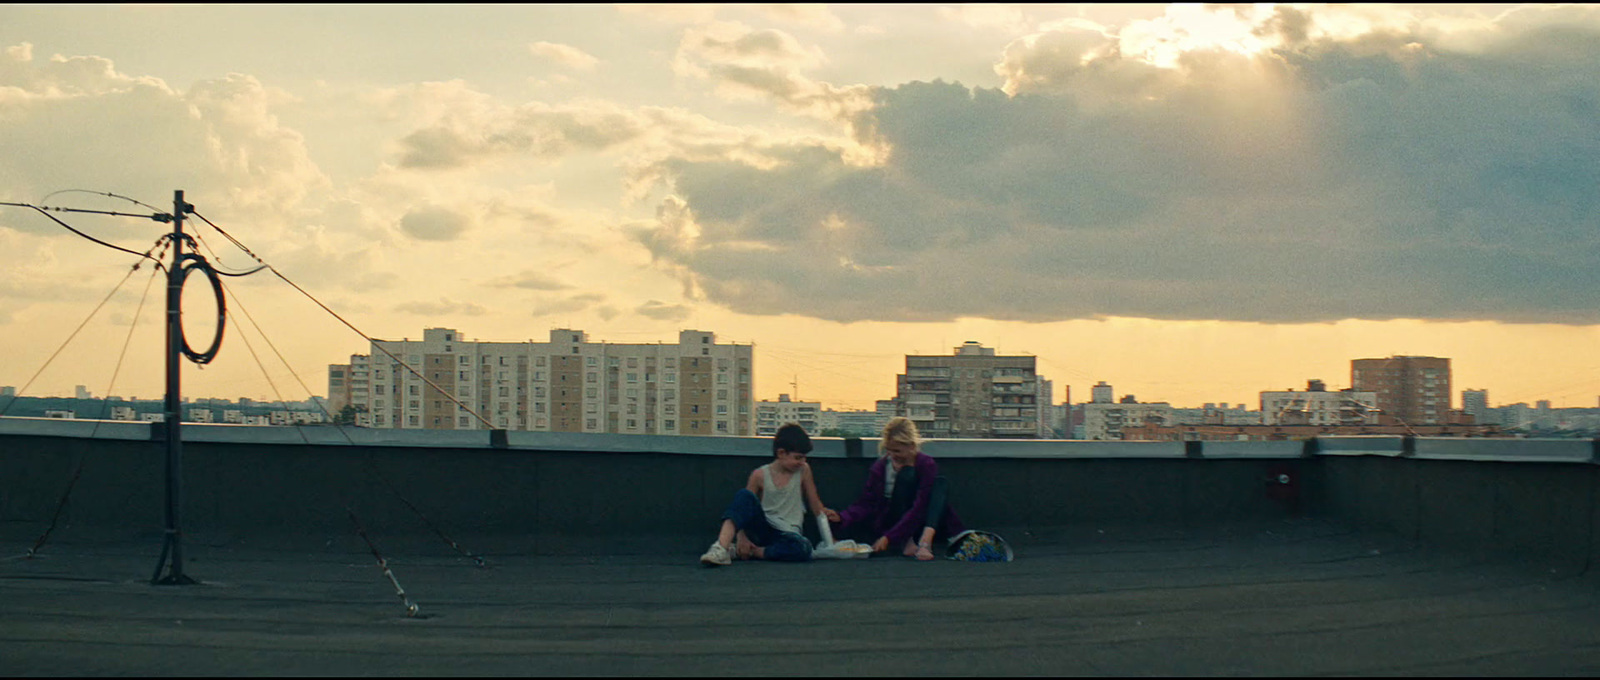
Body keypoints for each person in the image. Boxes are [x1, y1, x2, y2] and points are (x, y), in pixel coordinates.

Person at [700, 423, 839, 567]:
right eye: (798, 458)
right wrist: (742, 537)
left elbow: (815, 505)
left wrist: (830, 538)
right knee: (744, 495)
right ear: (781, 453)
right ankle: (721, 548)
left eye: (804, 458)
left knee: (803, 547)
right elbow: (744, 510)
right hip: (763, 528)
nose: (802, 462)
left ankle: (754, 552)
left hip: (787, 534)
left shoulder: (803, 471)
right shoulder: (759, 475)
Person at [833, 417, 964, 561]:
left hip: (921, 522)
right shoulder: (881, 467)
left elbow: (921, 506)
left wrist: (889, 538)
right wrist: (842, 517)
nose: (892, 455)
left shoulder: (925, 464)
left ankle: (924, 541)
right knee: (907, 476)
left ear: (911, 446)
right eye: (888, 450)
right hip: (894, 521)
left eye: (897, 451)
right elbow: (867, 502)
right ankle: (912, 542)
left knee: (940, 484)